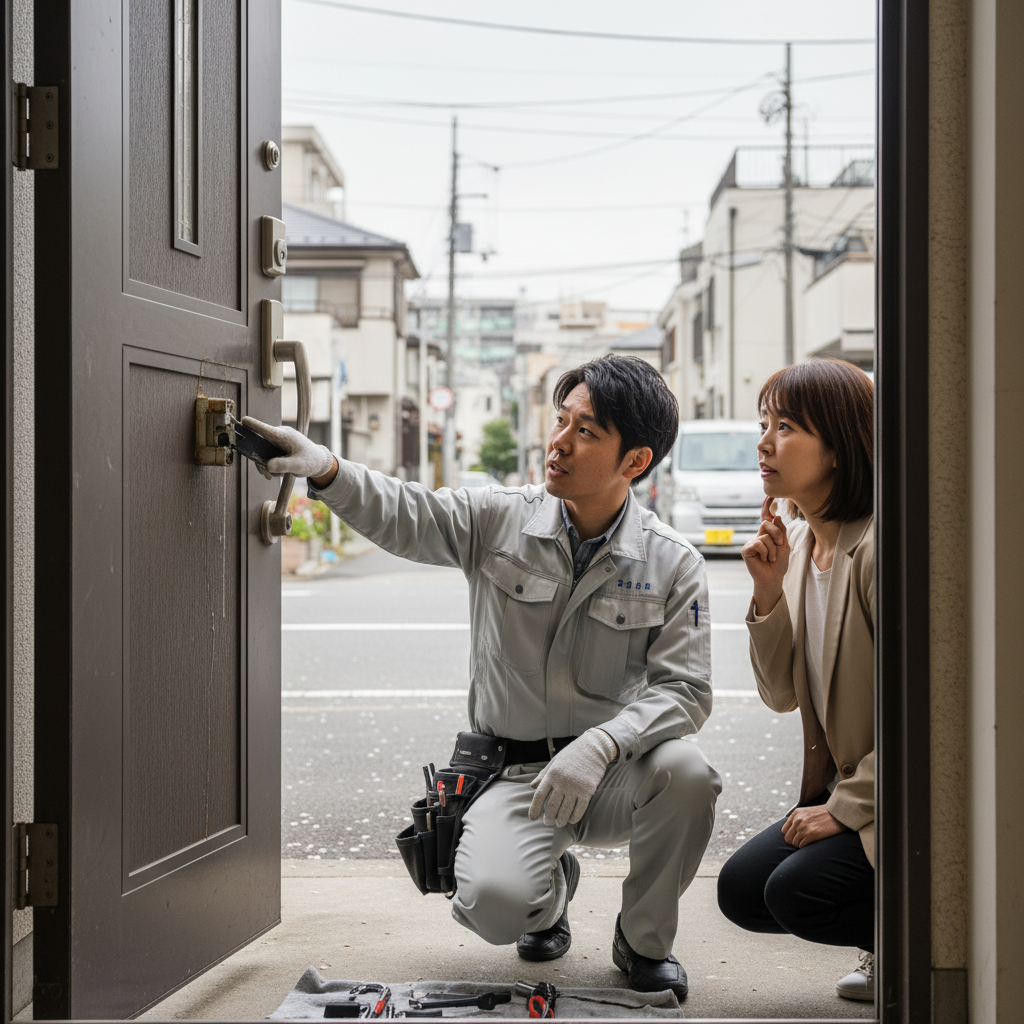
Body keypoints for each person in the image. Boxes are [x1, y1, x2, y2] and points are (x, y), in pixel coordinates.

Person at [246, 355, 721, 1000]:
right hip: (515, 773)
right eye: (561, 420)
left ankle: (643, 941)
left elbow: (685, 691)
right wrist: (327, 470)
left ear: (634, 461)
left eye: (586, 432)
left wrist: (604, 744)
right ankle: (550, 895)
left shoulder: (673, 562)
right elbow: (408, 514)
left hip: (612, 775)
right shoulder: (497, 517)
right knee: (493, 907)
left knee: (690, 774)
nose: (558, 442)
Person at [716, 358, 875, 1002]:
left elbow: (934, 718)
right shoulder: (807, 545)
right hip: (844, 783)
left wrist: (844, 809)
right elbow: (782, 694)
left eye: (785, 426)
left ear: (838, 447)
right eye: (764, 424)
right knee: (741, 892)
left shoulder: (877, 550)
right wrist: (768, 593)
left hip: (899, 789)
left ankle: (913, 935)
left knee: (795, 892)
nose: (763, 443)